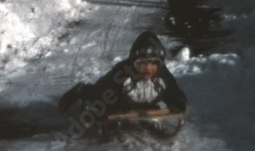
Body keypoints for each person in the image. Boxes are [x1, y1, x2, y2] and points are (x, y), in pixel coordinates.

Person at [58, 31, 188, 134]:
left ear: (160, 65)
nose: (148, 69)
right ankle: (82, 89)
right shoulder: (123, 74)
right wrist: (97, 110)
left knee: (155, 105)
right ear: (133, 63)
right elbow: (101, 92)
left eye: (153, 64)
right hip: (119, 100)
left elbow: (174, 92)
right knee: (103, 100)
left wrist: (179, 102)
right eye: (141, 64)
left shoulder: (162, 76)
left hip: (145, 103)